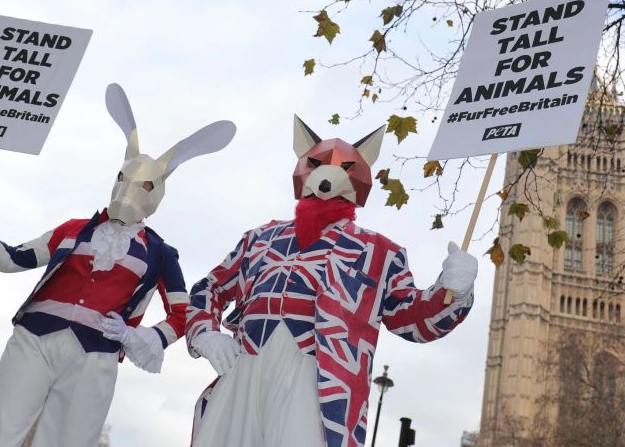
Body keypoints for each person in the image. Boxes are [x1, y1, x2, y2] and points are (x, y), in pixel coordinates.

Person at [0, 84, 235, 447]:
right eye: (124, 179)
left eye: (142, 185)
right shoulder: (73, 230)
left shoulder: (160, 253)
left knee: (69, 441)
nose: (128, 191)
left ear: (157, 192)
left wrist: (137, 336)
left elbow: (181, 314)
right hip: (34, 340)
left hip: (96, 354)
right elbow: (14, 258)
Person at [187, 116, 478, 447]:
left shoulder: (379, 252)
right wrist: (207, 334)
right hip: (244, 366)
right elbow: (209, 287)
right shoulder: (259, 238)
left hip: (319, 379)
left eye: (346, 166)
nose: (328, 174)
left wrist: (453, 291)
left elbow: (412, 319)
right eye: (317, 163)